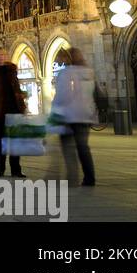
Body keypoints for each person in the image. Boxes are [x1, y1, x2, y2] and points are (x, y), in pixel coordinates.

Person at [51, 48, 97, 186]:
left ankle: (72, 176)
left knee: (67, 146)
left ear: (67, 58)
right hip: (86, 115)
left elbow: (63, 96)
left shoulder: (66, 73)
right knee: (83, 147)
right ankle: (89, 177)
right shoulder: (89, 73)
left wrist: (55, 109)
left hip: (69, 115)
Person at [0, 47, 26, 178]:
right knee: (1, 141)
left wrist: (22, 105)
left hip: (14, 109)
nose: (1, 57)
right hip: (0, 111)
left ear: (6, 56)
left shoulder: (12, 69)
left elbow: (17, 88)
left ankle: (16, 170)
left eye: (3, 54)